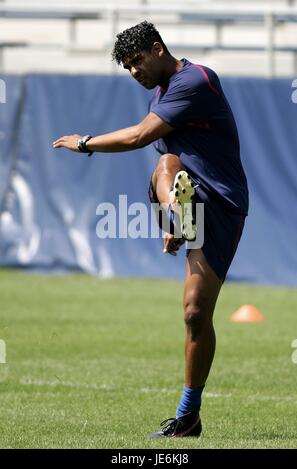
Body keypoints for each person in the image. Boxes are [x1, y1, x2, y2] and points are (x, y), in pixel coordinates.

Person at [53, 21, 249, 438]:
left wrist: (86, 142)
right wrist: (169, 221)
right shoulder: (161, 96)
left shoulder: (195, 80)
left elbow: (141, 137)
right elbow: (167, 168)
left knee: (198, 314)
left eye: (136, 61)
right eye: (126, 66)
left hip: (223, 206)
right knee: (166, 167)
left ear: (158, 49)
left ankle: (187, 411)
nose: (133, 71)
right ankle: (189, 418)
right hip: (190, 200)